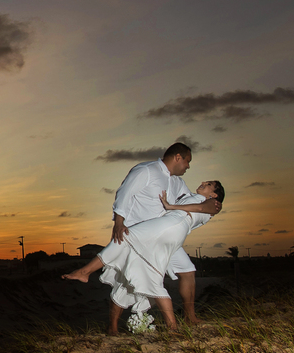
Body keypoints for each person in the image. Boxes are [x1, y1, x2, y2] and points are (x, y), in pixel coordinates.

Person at [63, 180, 225, 334]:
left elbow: (202, 209)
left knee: (126, 236)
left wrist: (170, 206)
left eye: (209, 184)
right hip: (171, 230)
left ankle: (85, 272)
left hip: (171, 225)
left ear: (214, 194)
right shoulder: (190, 195)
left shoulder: (214, 204)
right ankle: (172, 326)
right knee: (152, 275)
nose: (203, 184)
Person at [103, 142, 219, 325]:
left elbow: (192, 205)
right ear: (178, 157)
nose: (188, 166)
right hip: (140, 236)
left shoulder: (178, 182)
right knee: (127, 282)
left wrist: (212, 205)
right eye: (187, 161)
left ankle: (190, 317)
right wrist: (118, 222)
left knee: (187, 271)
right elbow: (124, 193)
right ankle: (113, 328)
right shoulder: (146, 170)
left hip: (165, 238)